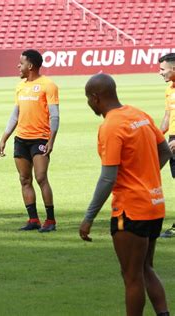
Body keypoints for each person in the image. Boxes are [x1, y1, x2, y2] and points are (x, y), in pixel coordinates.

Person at [79, 73, 171, 316]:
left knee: (131, 276)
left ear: (96, 98)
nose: (89, 104)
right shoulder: (139, 115)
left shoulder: (111, 126)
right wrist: (144, 176)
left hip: (130, 211)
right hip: (154, 204)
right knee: (145, 267)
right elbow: (165, 151)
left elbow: (108, 178)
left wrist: (88, 217)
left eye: (88, 99)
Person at [0, 49, 60, 232]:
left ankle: (50, 221)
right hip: (21, 139)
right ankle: (33, 220)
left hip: (40, 138)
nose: (18, 66)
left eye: (21, 63)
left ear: (30, 66)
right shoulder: (20, 86)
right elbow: (15, 114)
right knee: (25, 179)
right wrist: (4, 138)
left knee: (41, 178)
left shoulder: (48, 85)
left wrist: (51, 140)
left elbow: (54, 116)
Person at [158, 52, 175, 238]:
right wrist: (153, 135)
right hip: (172, 138)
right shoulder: (169, 89)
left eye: (163, 69)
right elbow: (167, 117)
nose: (159, 73)